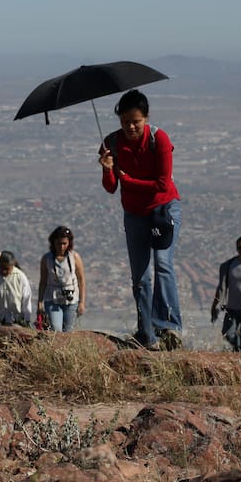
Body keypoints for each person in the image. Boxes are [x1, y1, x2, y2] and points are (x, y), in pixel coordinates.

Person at [98, 89, 183, 350]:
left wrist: (128, 180)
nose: (131, 127)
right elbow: (111, 187)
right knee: (140, 276)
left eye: (136, 121)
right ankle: (147, 334)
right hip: (135, 213)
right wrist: (108, 168)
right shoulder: (112, 143)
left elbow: (161, 183)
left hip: (163, 209)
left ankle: (169, 326)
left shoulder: (160, 139)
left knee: (163, 264)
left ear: (146, 117)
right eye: (125, 122)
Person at [38, 226, 86, 332]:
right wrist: (40, 302)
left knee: (68, 331)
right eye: (59, 243)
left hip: (71, 299)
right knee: (56, 329)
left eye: (64, 243)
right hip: (52, 298)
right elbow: (43, 282)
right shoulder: (47, 259)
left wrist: (82, 302)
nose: (61, 247)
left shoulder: (74, 257)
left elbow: (81, 280)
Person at [0, 250, 34, 326]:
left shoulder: (20, 276)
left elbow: (26, 299)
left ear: (12, 265)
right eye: (2, 268)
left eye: (7, 269)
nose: (4, 271)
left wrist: (27, 319)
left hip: (15, 320)